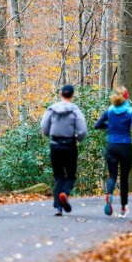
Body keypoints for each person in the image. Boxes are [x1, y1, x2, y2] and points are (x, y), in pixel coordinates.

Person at [41, 85, 88, 216]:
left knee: (59, 176)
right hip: (70, 146)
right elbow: (83, 130)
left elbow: (44, 127)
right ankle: (65, 194)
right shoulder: (75, 111)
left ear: (61, 94)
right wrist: (77, 139)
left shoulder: (52, 109)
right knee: (71, 176)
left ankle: (58, 208)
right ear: (72, 95)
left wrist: (49, 134)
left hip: (55, 145)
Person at [94, 86, 132, 218]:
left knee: (112, 175)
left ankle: (109, 193)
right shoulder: (130, 111)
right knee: (124, 178)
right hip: (125, 147)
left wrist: (110, 126)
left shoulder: (110, 110)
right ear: (126, 97)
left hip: (111, 146)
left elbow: (97, 125)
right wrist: (128, 124)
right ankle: (123, 208)